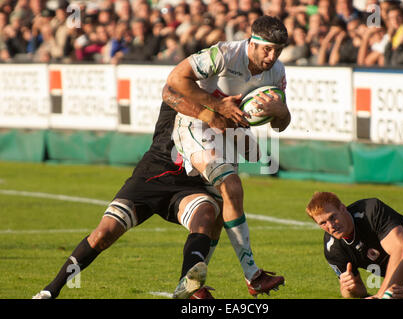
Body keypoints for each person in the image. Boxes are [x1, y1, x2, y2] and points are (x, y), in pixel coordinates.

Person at [32, 96, 232, 299]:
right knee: (103, 234)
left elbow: (251, 150)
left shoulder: (230, 96)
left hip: (190, 184)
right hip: (152, 174)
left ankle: (187, 287)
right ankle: (49, 291)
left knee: (205, 212)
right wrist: (221, 110)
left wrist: (253, 117)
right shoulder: (183, 85)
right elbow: (180, 95)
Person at [165, 15, 290, 298]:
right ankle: (253, 275)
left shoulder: (277, 72)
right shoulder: (223, 54)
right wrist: (217, 105)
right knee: (231, 186)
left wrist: (283, 113)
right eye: (267, 49)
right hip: (195, 124)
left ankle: (189, 286)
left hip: (228, 133)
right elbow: (174, 79)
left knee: (221, 211)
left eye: (278, 51)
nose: (272, 56)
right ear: (252, 42)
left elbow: (280, 122)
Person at [305, 191, 403, 299]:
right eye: (323, 223)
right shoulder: (332, 248)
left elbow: (401, 251)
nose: (331, 225)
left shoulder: (370, 211)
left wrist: (381, 295)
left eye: (332, 217)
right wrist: (349, 288)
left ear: (342, 208)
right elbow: (357, 291)